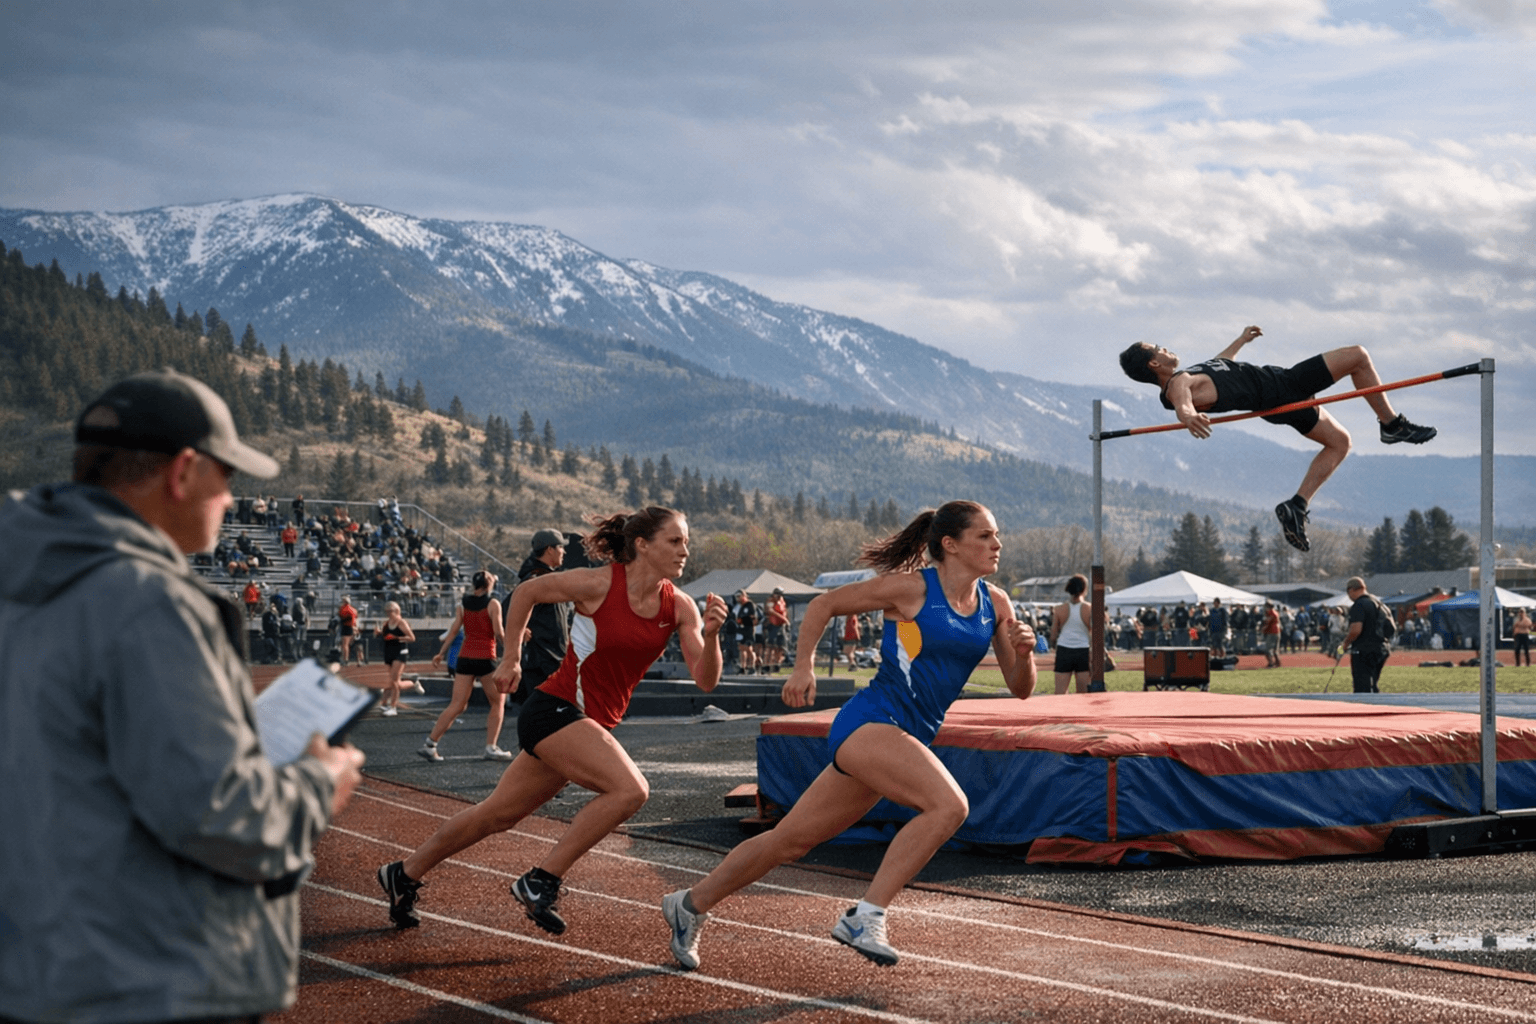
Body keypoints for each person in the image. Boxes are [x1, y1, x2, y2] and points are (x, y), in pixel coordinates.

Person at [0, 368, 364, 1022]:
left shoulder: (22, 581)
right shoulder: (149, 604)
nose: (230, 500)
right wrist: (318, 781)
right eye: (227, 478)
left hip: (36, 966)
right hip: (145, 978)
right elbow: (217, 812)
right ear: (184, 471)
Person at [660, 501, 1037, 971]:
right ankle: (867, 914)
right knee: (949, 806)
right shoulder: (911, 589)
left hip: (908, 735)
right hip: (871, 722)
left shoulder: (995, 603)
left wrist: (1024, 653)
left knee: (788, 842)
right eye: (985, 535)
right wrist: (803, 669)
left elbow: (1021, 689)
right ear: (950, 544)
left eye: (996, 535)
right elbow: (824, 605)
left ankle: (689, 905)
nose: (996, 544)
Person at [378, 507, 727, 935]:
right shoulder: (597, 584)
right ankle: (542, 879)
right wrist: (511, 660)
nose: (684, 551)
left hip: (587, 726)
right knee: (630, 790)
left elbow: (706, 679)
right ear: (642, 544)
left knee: (495, 815)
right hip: (557, 709)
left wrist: (710, 638)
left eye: (686, 542)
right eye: (675, 541)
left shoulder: (680, 606)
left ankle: (403, 873)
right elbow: (525, 593)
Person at [1119, 326, 1436, 553]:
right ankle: (1391, 424)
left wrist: (1240, 341)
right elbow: (1182, 404)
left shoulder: (1190, 374)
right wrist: (1189, 417)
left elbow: (1222, 364)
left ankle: (1297, 505)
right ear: (1154, 364)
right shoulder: (1179, 383)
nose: (1166, 347)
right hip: (1285, 386)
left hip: (1275, 402)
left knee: (1340, 442)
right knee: (1358, 355)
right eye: (1159, 348)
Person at [421, 570, 513, 761]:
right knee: (498, 702)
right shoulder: (493, 603)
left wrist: (441, 653)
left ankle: (430, 744)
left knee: (457, 704)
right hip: (486, 657)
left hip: (465, 657)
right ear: (489, 584)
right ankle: (491, 747)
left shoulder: (463, 604)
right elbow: (498, 632)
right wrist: (512, 651)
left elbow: (454, 631)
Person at [510, 528, 571, 705]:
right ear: (550, 550)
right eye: (561, 547)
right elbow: (508, 607)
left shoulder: (544, 578)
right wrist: (520, 628)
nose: (564, 551)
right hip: (543, 662)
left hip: (551, 660)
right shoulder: (535, 579)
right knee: (548, 719)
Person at [1344, 577, 1394, 693]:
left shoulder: (1359, 604)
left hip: (1364, 650)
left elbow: (1356, 630)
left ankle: (1364, 709)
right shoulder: (1378, 603)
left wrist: (1345, 644)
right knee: (1373, 685)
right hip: (1382, 649)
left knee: (1362, 687)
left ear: (1351, 589)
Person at [1048, 573, 1092, 694]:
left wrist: (1052, 644)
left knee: (1060, 693)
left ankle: (1061, 713)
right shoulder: (1089, 608)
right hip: (1083, 650)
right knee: (1083, 693)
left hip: (1064, 650)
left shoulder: (1059, 609)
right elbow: (1093, 633)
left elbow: (1053, 633)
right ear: (1085, 589)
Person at [378, 601, 418, 716]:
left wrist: (396, 637)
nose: (387, 613)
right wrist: (379, 633)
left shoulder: (401, 622)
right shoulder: (387, 623)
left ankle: (393, 707)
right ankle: (413, 683)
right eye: (386, 611)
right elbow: (385, 636)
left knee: (394, 681)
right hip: (389, 652)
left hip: (400, 652)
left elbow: (412, 638)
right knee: (393, 681)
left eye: (389, 611)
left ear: (396, 611)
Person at [732, 590, 759, 673]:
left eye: (739, 596)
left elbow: (752, 618)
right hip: (742, 629)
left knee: (749, 649)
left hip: (749, 629)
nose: (738, 599)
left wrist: (743, 620)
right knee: (742, 648)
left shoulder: (750, 605)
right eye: (736, 597)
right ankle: (742, 667)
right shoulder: (741, 607)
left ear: (744, 596)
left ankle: (752, 666)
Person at [764, 587, 789, 672]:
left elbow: (784, 611)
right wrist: (782, 618)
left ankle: (777, 664)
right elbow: (769, 610)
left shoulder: (782, 601)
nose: (777, 596)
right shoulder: (770, 600)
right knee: (770, 646)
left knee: (781, 646)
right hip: (772, 625)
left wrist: (785, 620)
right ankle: (766, 664)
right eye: (776, 594)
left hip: (781, 626)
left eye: (779, 594)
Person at [336, 594, 359, 663]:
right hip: (352, 627)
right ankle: (346, 658)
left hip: (346, 627)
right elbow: (355, 618)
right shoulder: (354, 609)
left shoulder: (344, 609)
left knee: (345, 644)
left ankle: (345, 658)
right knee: (347, 644)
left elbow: (341, 616)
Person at [1261, 601, 1282, 668]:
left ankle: (1271, 663)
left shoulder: (1271, 613)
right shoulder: (1276, 612)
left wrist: (1263, 629)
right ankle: (1278, 663)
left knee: (1268, 649)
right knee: (1276, 649)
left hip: (1272, 632)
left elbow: (1267, 622)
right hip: (1277, 632)